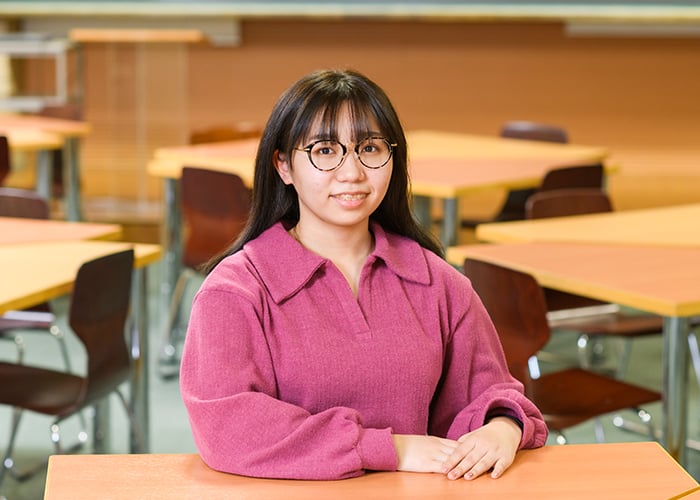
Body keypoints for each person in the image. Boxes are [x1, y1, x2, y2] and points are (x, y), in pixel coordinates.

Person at [180, 68, 548, 482]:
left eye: (370, 148)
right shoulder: (235, 291)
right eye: (324, 150)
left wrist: (503, 427)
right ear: (283, 165)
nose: (352, 172)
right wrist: (390, 448)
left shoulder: (438, 282)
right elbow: (228, 428)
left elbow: (490, 393)